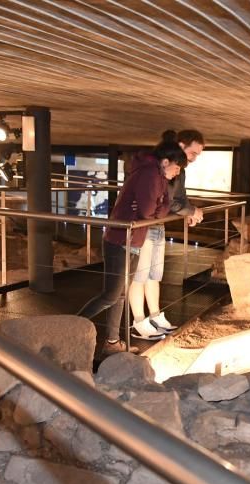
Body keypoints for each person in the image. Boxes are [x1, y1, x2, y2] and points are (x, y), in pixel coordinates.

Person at [78, 139, 188, 354]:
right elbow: (148, 212)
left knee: (119, 295)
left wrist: (156, 207)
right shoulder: (150, 174)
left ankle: (112, 342)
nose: (177, 173)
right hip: (121, 239)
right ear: (166, 161)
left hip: (133, 239)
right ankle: (69, 325)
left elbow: (158, 207)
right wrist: (156, 208)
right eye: (177, 167)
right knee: (110, 295)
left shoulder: (158, 176)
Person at [129, 129, 206, 338]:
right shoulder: (154, 170)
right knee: (139, 275)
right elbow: (169, 201)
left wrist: (187, 211)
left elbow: (178, 198)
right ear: (180, 146)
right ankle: (138, 321)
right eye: (193, 153)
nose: (194, 159)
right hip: (144, 226)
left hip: (157, 224)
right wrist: (189, 211)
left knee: (154, 274)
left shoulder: (177, 169)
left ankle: (154, 316)